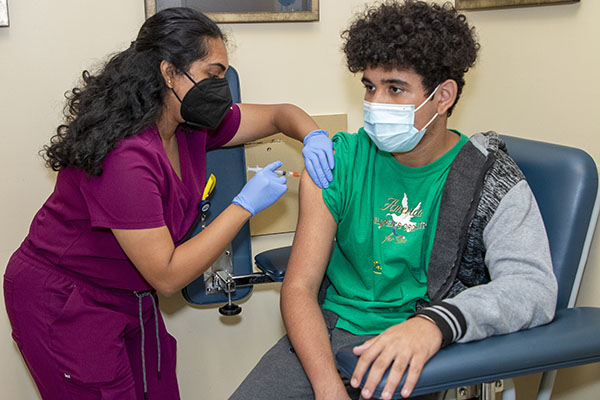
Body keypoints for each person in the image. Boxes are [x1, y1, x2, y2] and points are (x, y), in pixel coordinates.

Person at [230, 1, 558, 399]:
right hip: (332, 331)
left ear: (443, 96)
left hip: (422, 339)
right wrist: (327, 387)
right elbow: (299, 288)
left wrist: (434, 325)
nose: (376, 103)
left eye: (395, 88)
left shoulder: (488, 178)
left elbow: (533, 288)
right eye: (370, 86)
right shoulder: (338, 161)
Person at [3, 7, 334, 400]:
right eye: (212, 74)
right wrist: (245, 205)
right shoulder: (125, 156)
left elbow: (280, 115)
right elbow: (169, 274)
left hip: (131, 295)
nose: (221, 87)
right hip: (66, 301)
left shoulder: (188, 125)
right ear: (168, 72)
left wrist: (313, 136)